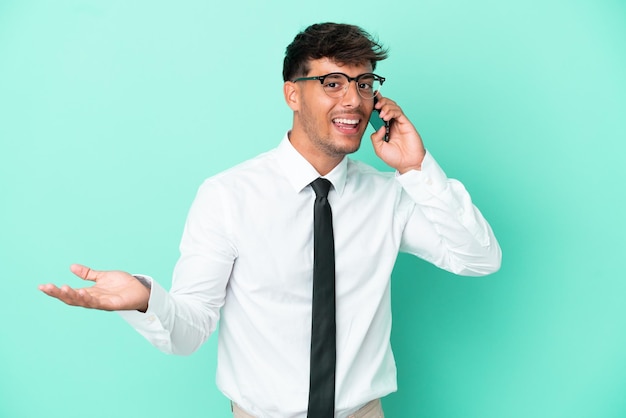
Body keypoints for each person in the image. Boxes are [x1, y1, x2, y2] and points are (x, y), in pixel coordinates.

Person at [39, 22, 501, 418]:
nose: (355, 101)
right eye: (334, 82)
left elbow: (479, 259)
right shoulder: (228, 196)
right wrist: (146, 300)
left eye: (364, 84)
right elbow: (189, 331)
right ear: (292, 94)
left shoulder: (389, 196)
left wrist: (416, 169)